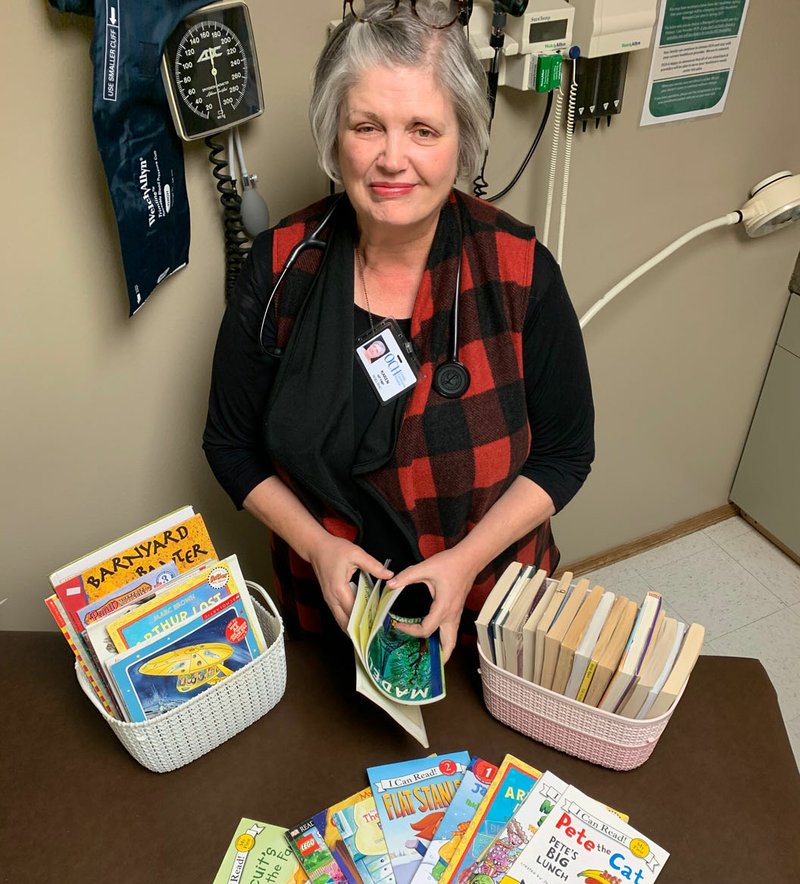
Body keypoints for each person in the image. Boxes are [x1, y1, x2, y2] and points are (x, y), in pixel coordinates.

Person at [203, 0, 594, 662]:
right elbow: (230, 445)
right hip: (330, 618)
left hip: (492, 617)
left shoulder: (519, 271)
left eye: (422, 130)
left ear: (463, 140)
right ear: (333, 138)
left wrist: (465, 562)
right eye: (367, 126)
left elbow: (564, 455)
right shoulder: (280, 269)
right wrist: (318, 546)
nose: (391, 159)